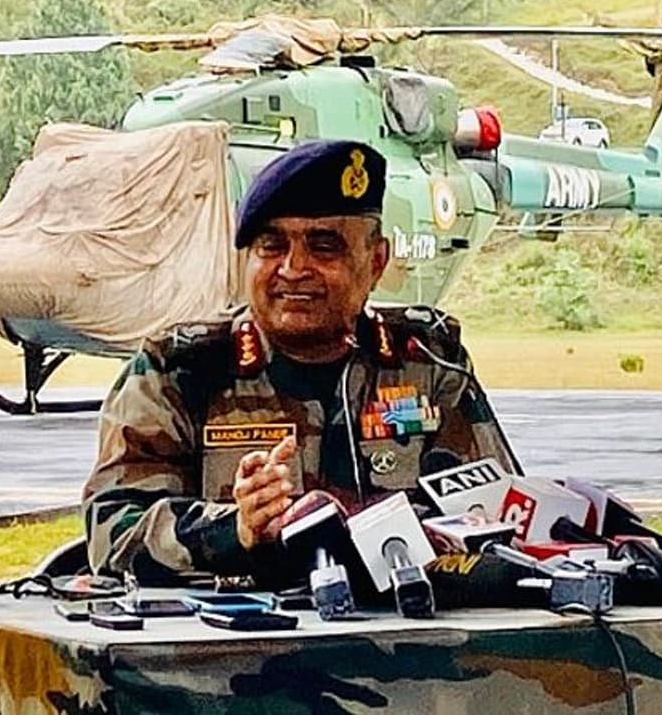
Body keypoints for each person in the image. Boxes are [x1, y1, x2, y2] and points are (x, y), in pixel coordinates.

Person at [83, 140, 519, 584]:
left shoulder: (428, 363)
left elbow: (494, 512)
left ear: (376, 262)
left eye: (324, 246)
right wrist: (233, 530)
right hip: (238, 643)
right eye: (271, 246)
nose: (293, 268)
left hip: (405, 634)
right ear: (245, 261)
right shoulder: (178, 370)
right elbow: (110, 531)